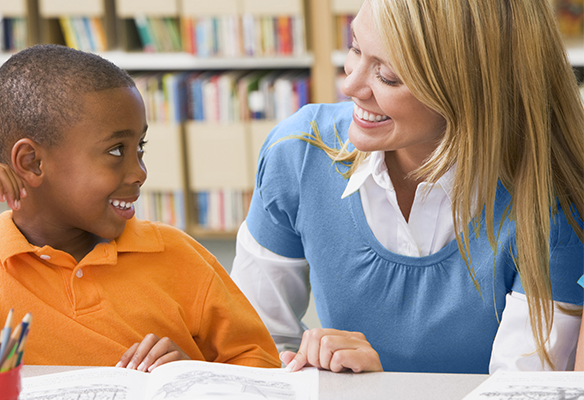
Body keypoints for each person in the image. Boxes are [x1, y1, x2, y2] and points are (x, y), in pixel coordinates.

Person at [232, 0, 584, 375]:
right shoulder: (297, 153)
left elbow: (521, 392)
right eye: (355, 48)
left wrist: (382, 388)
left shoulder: (554, 209)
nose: (349, 85)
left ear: (474, 91)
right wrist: (297, 369)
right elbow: (251, 346)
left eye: (387, 76)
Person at [0, 44, 279, 379]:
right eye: (116, 151)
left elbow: (263, 368)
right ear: (31, 163)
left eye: (140, 149)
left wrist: (190, 375)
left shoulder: (178, 256)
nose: (139, 172)